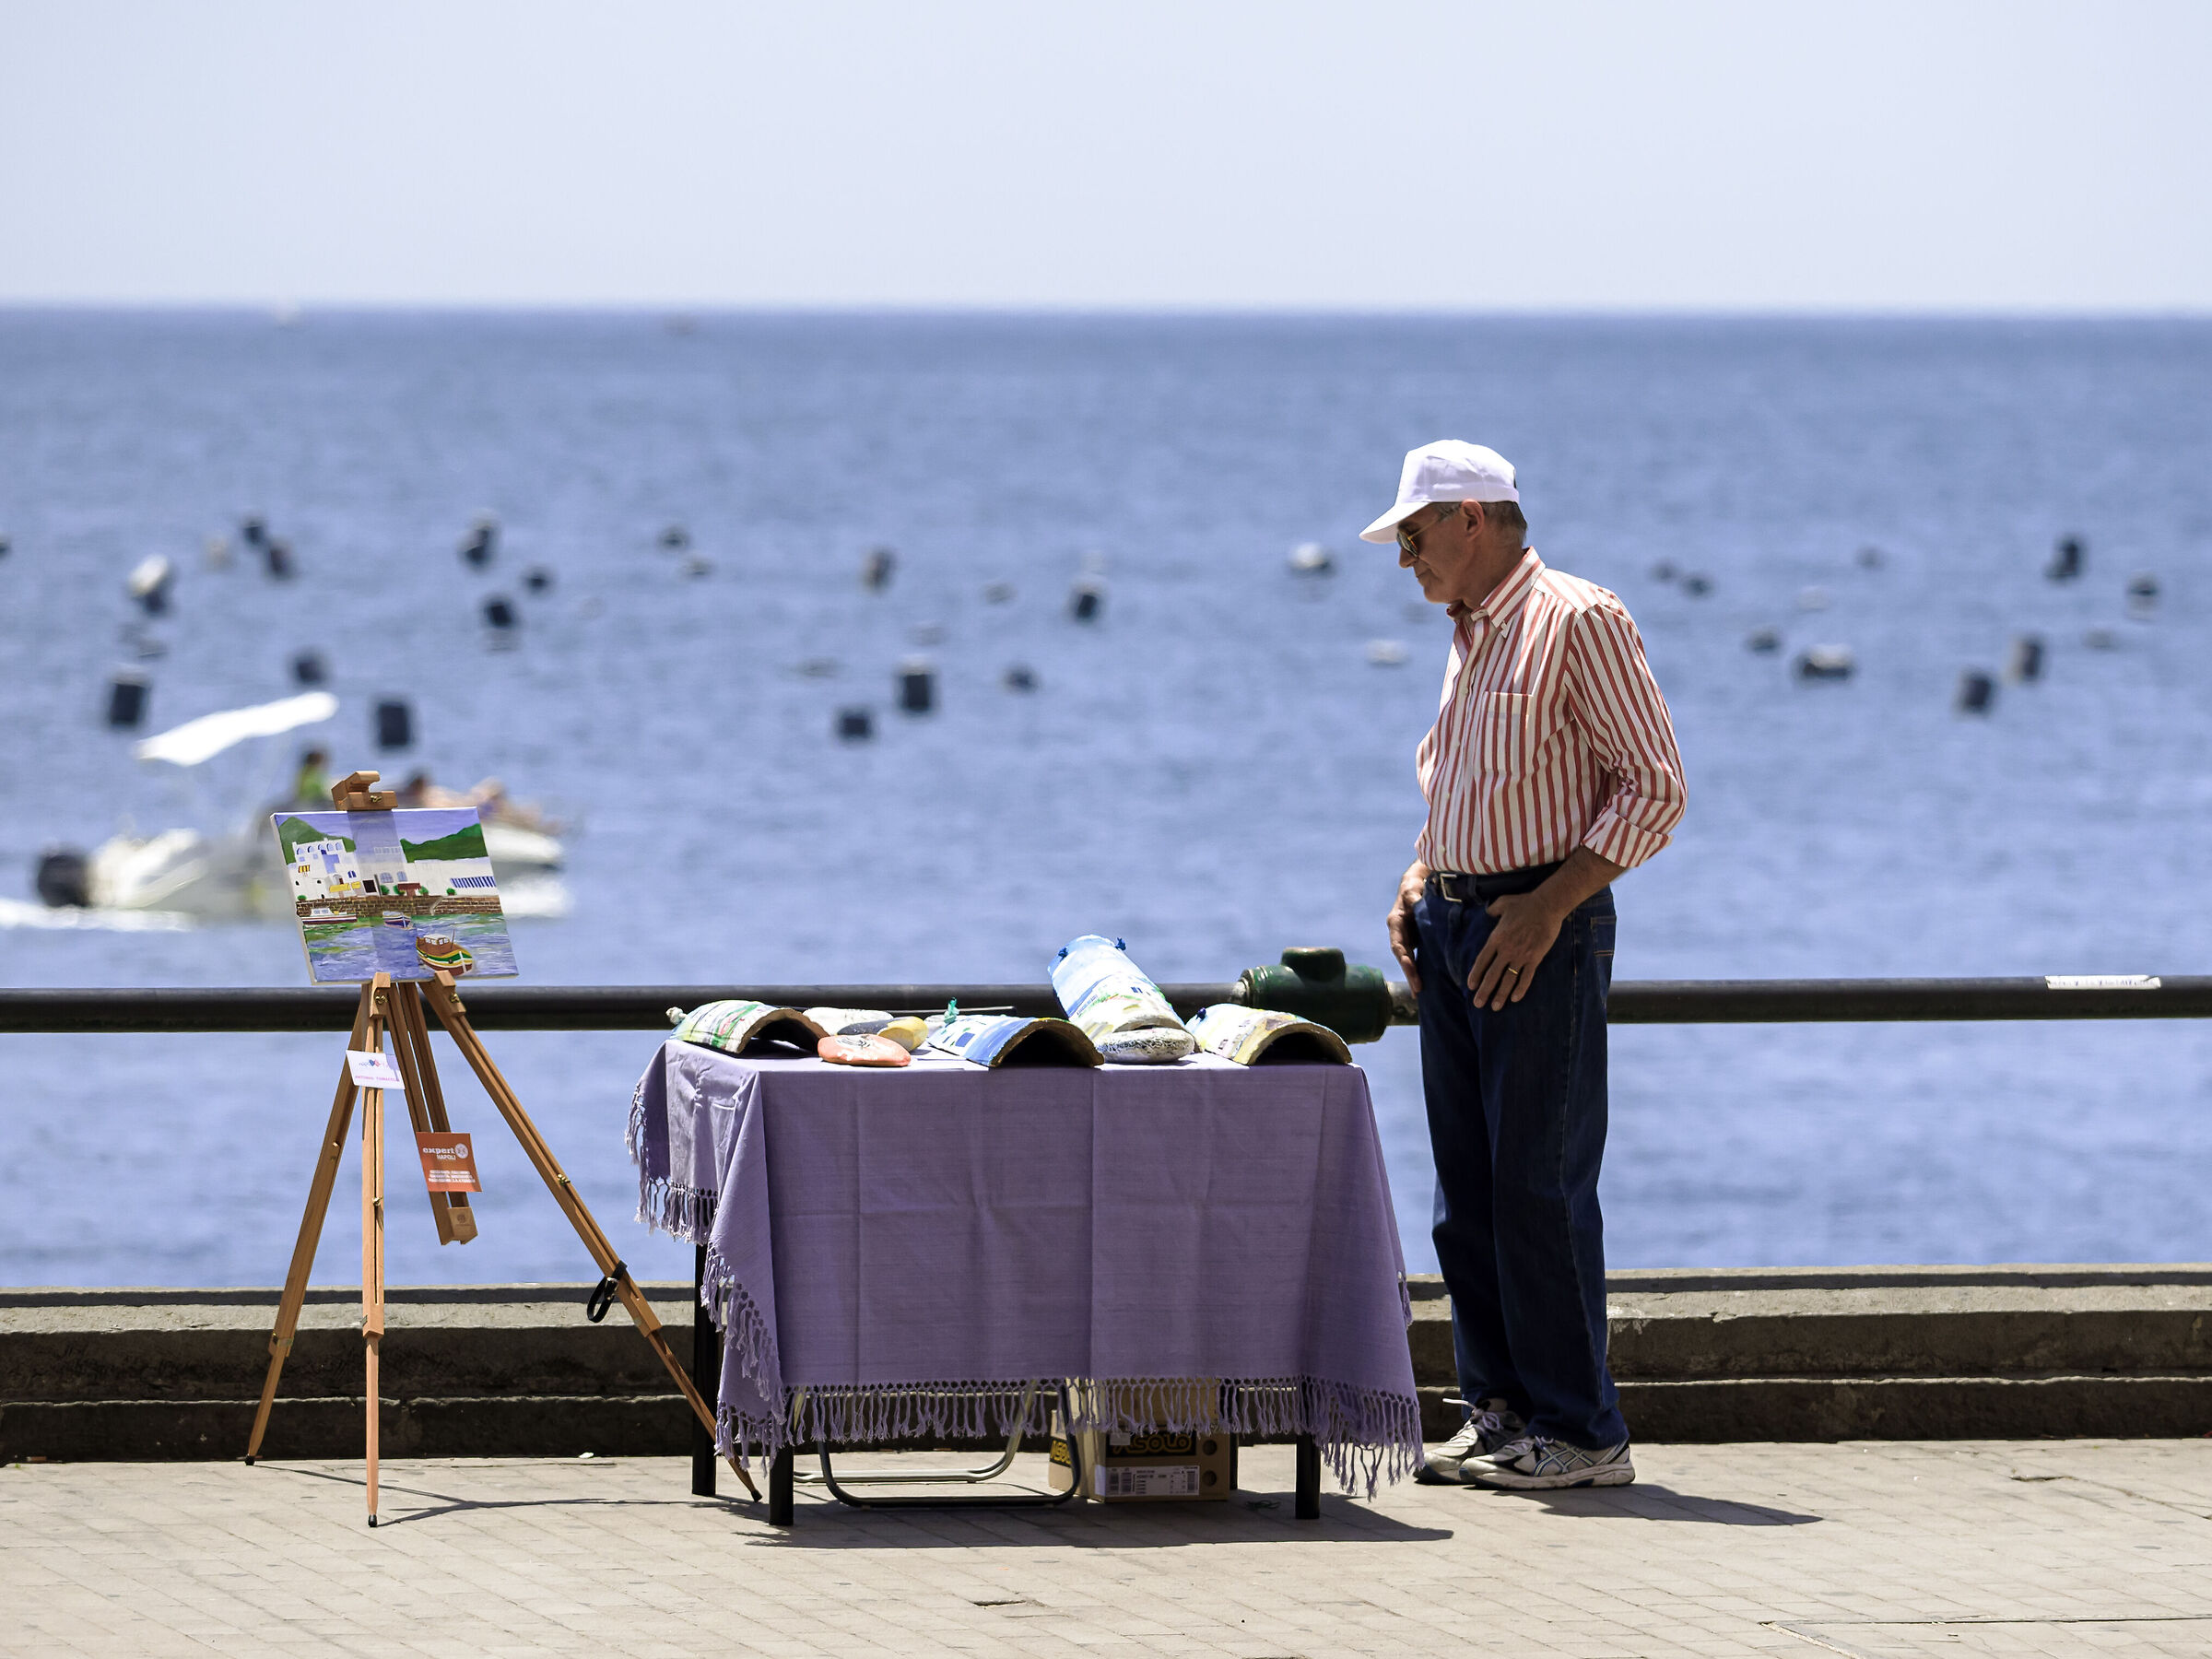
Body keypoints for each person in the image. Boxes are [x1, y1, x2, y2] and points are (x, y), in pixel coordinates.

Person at [1369, 441, 1686, 1491]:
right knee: (1469, 1191)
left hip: (1537, 924)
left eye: (1412, 537)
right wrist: (1422, 875)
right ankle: (1502, 1417)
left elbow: (1655, 790)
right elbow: (1459, 780)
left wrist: (1546, 910)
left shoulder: (1578, 619)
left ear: (1469, 519)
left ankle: (1583, 1433)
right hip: (1460, 924)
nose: (1404, 559)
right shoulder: (1470, 632)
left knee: (1538, 1184)